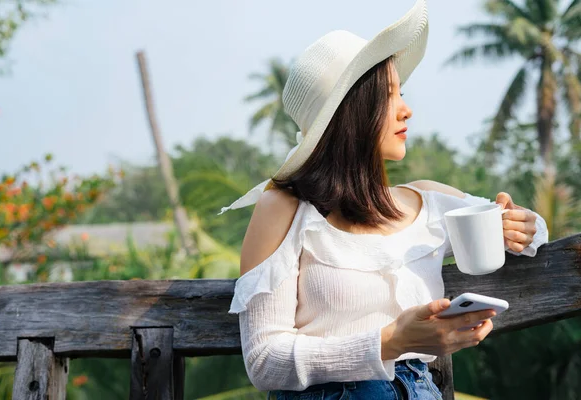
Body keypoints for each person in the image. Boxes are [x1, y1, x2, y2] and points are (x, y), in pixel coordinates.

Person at [219, 1, 549, 398]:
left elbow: (524, 226)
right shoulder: (284, 209)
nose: (407, 110)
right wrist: (389, 341)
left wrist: (521, 226)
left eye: (402, 93)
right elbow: (264, 361)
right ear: (351, 113)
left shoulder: (429, 201)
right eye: (389, 96)